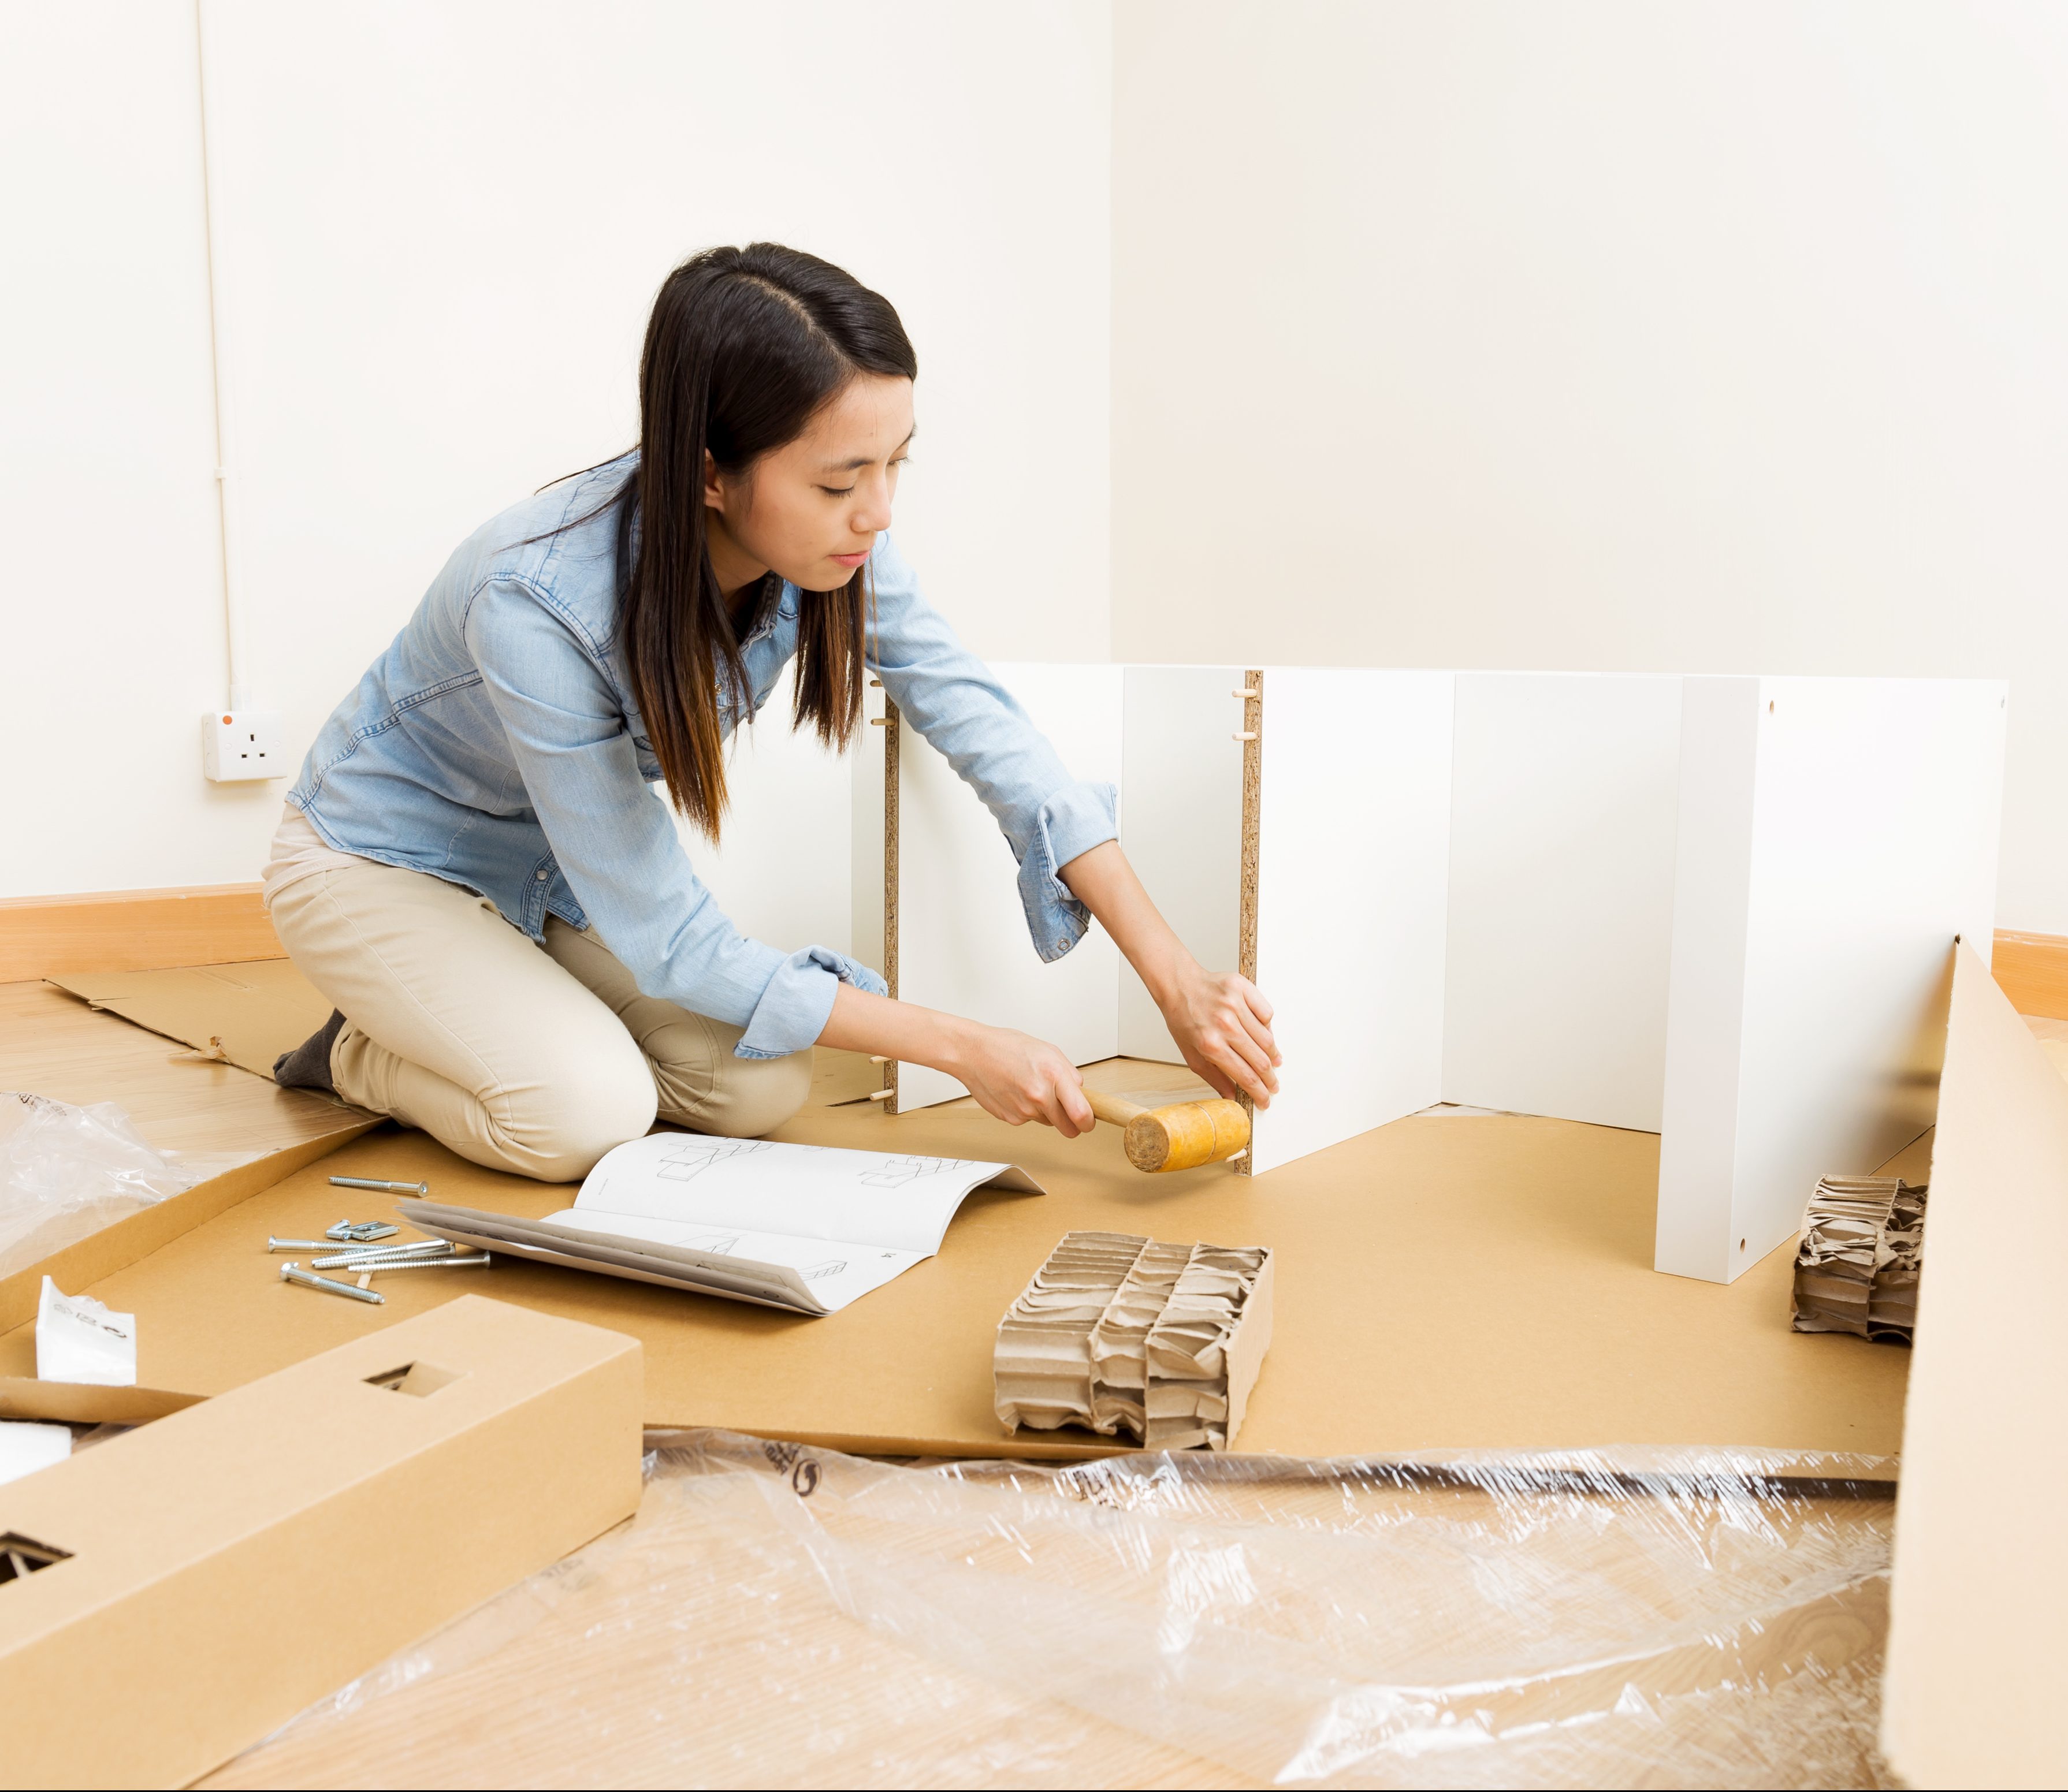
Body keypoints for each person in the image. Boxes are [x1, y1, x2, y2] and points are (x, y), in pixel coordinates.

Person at [265, 243, 1279, 1182]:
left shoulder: (838, 550)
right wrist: (965, 1046)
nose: (879, 513)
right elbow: (671, 943)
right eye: (843, 480)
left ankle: (497, 1014)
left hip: (549, 865)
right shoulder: (533, 598)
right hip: (377, 864)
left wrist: (1179, 981)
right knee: (583, 1116)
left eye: (896, 466)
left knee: (759, 1083)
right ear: (709, 470)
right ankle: (361, 1051)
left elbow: (990, 732)